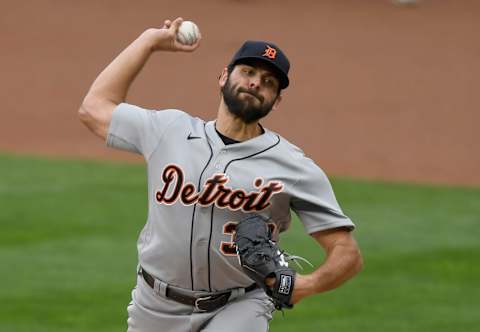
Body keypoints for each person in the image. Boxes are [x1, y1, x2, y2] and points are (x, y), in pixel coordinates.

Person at [79, 17, 363, 332]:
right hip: (154, 303)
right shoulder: (169, 130)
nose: (256, 83)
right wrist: (148, 41)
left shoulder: (293, 166)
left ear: (276, 101)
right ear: (223, 77)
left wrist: (306, 284)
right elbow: (93, 108)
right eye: (248, 72)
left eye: (269, 82)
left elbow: (346, 252)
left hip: (239, 305)